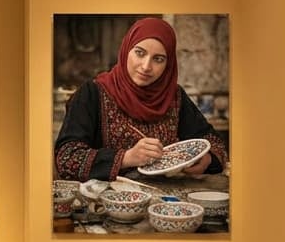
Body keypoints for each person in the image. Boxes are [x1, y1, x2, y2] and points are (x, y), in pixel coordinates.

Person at [54, 17, 228, 182]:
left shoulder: (174, 96)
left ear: (168, 64)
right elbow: (66, 158)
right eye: (139, 53)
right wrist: (127, 158)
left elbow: (214, 143)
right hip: (106, 199)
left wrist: (207, 160)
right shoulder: (92, 93)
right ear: (126, 51)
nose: (146, 66)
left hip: (168, 198)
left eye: (158, 59)